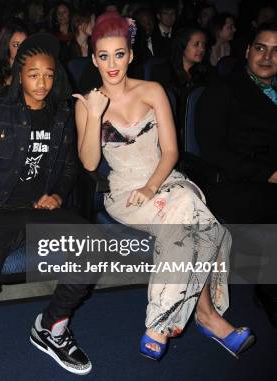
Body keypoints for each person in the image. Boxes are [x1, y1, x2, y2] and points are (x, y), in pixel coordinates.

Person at [75, 12, 255, 361]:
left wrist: (153, 186)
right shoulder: (88, 103)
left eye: (119, 54)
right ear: (93, 58)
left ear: (131, 54)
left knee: (187, 215)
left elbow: (171, 151)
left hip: (164, 179)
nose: (112, 64)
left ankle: (165, 319)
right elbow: (89, 163)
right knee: (200, 219)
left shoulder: (153, 90)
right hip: (125, 193)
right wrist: (95, 115)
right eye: (103, 56)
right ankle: (205, 317)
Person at [0, 33, 97, 381]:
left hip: (42, 209)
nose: (42, 82)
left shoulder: (62, 115)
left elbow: (70, 167)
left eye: (48, 74)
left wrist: (59, 194)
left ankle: (51, 327)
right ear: (19, 74)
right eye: (33, 74)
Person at [196, 22, 277, 325]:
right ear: (247, 51)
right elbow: (213, 151)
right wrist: (268, 173)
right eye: (260, 48)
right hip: (234, 182)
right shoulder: (224, 90)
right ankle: (271, 291)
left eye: (276, 51)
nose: (267, 57)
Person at [0, 19, 28, 91]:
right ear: (6, 48)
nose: (21, 49)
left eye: (25, 44)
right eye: (16, 45)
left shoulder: (33, 76)